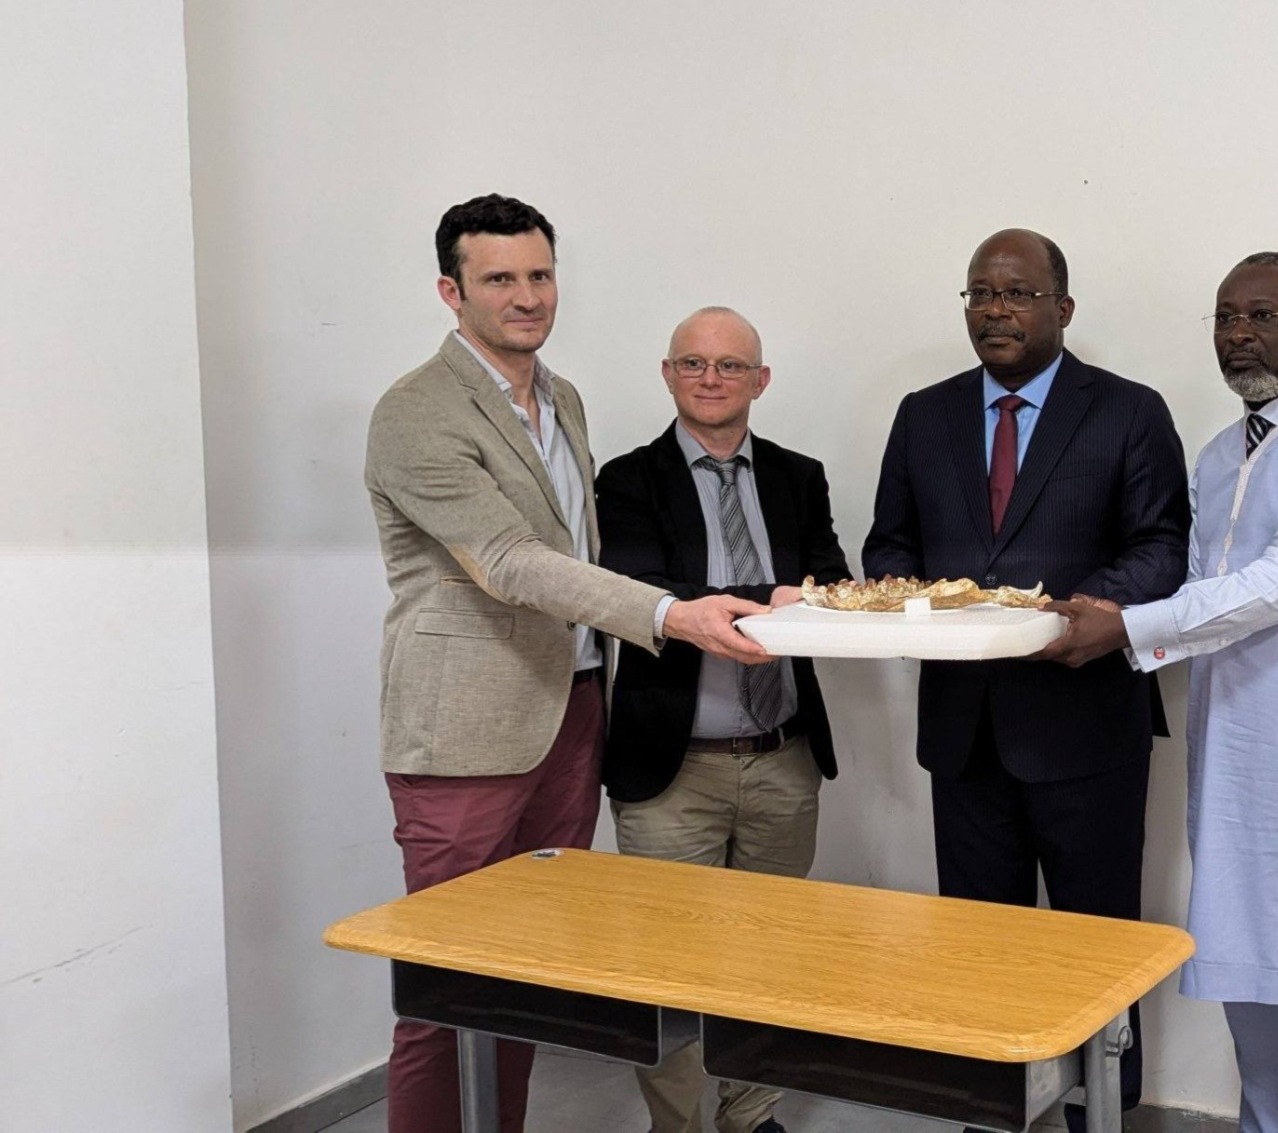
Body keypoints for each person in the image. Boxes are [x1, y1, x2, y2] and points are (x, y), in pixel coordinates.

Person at [364, 195, 772, 1133]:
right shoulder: (415, 411)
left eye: (539, 275)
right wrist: (669, 613)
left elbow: (571, 550)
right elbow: (507, 561)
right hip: (464, 728)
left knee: (531, 973)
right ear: (450, 290)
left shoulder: (564, 398)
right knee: (448, 982)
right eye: (499, 278)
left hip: (571, 710)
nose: (526, 296)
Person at [1048, 253, 1278, 1133]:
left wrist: (1125, 628)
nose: (1239, 333)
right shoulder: (1216, 455)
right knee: (1248, 969)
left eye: (1261, 314)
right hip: (1232, 753)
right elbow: (1200, 589)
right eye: (1224, 316)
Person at [861, 228, 1190, 1128]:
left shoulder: (1128, 410)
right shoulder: (922, 413)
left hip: (1087, 726)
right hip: (964, 732)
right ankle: (991, 1108)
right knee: (976, 946)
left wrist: (1074, 612)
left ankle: (1103, 1113)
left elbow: (1164, 545)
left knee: (1096, 946)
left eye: (1015, 293)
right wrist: (923, 602)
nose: (995, 311)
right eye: (978, 294)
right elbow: (888, 545)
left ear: (1062, 309)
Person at [595, 306, 851, 1133]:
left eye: (730, 365)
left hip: (781, 756)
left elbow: (833, 580)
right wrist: (755, 600)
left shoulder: (797, 475)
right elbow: (639, 583)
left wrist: (808, 595)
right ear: (668, 375)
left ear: (760, 380)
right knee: (666, 964)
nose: (711, 379)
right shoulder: (626, 479)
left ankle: (752, 1113)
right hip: (672, 767)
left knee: (770, 954)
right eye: (694, 364)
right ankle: (677, 1123)